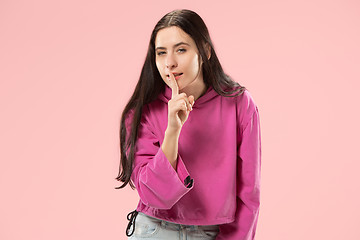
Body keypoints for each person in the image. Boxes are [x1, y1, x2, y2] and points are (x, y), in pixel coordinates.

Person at [115, 9, 262, 240]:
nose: (170, 63)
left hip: (212, 233)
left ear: (205, 51)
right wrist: (172, 130)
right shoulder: (142, 111)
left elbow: (248, 195)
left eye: (181, 49)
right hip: (153, 230)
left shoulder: (239, 104)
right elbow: (153, 196)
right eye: (161, 53)